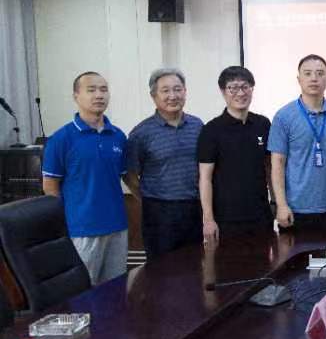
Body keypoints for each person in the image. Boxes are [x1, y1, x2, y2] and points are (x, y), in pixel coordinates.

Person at [42, 72, 128, 285]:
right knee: (84, 291)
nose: (99, 95)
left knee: (116, 289)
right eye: (91, 90)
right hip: (82, 230)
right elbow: (50, 187)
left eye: (103, 90)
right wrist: (63, 224)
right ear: (76, 96)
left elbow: (124, 176)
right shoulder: (61, 139)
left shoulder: (118, 136)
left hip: (117, 226)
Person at [269, 54, 326, 233]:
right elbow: (277, 164)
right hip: (295, 209)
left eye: (320, 73)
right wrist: (281, 205)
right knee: (292, 253)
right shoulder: (284, 116)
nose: (314, 78)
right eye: (307, 73)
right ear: (299, 79)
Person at [125, 68, 203, 259]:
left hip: (194, 208)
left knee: (195, 264)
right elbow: (129, 174)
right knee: (161, 269)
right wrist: (148, 199)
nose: (172, 96)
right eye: (165, 90)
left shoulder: (197, 126)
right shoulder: (141, 133)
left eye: (177, 89)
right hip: (159, 213)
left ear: (185, 92)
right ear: (154, 96)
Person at [197, 66, 273, 246]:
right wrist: (208, 219)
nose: (240, 93)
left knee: (264, 262)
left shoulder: (263, 124)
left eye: (245, 87)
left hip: (261, 214)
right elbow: (205, 178)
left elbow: (269, 167)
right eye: (233, 88)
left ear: (252, 89)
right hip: (226, 219)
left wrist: (276, 202)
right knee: (228, 263)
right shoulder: (211, 130)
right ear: (223, 91)